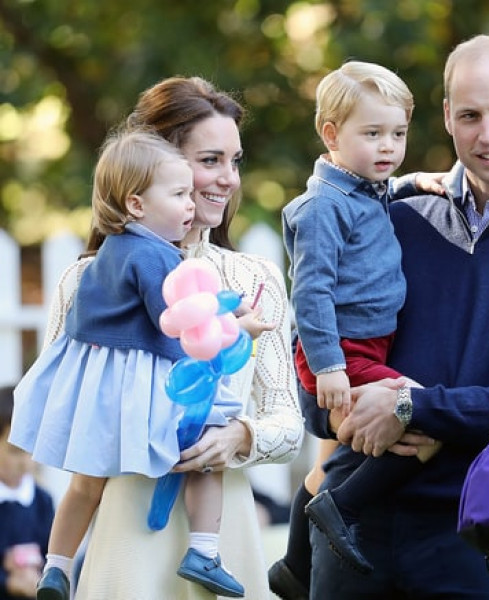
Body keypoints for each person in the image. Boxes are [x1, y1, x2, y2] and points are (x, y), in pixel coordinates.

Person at [296, 34, 489, 599]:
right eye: (470, 115)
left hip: (476, 538)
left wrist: (420, 408)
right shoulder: (389, 215)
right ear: (446, 117)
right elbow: (319, 360)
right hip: (353, 524)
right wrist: (343, 415)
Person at [47, 77, 304, 600]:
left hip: (220, 535)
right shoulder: (84, 282)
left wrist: (239, 437)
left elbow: (289, 424)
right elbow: (63, 413)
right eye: (210, 160)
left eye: (235, 161)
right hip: (126, 533)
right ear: (154, 163)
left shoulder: (254, 279)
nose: (228, 179)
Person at [11, 129, 246, 599]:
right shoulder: (156, 255)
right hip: (146, 386)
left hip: (98, 385)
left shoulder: (105, 254)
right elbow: (174, 322)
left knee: (83, 485)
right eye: (178, 194)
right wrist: (236, 324)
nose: (189, 205)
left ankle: (56, 567)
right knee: (203, 454)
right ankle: (203, 549)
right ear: (137, 205)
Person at [276, 60, 446, 583]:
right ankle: (341, 506)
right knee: (422, 413)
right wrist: (329, 366)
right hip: (340, 351)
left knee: (352, 446)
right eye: (372, 134)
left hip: (368, 345)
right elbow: (310, 292)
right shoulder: (323, 208)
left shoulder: (364, 189)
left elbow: (386, 192)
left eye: (397, 133)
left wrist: (417, 180)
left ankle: (293, 568)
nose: (389, 147)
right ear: (332, 135)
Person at [0, 385, 53, 600]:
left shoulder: (43, 502)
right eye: (14, 452)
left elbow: (52, 555)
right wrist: (8, 582)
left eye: (32, 451)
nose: (25, 463)